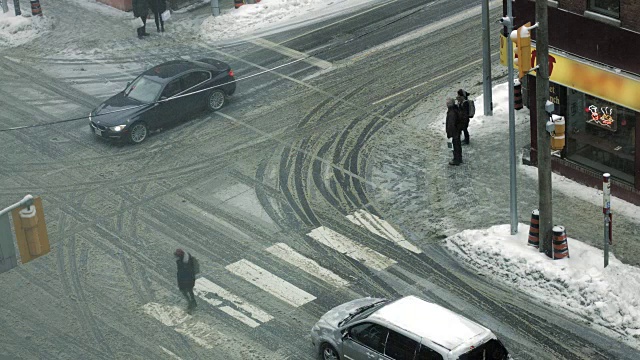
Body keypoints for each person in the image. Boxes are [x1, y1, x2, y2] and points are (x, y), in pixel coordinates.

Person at [446, 98, 462, 166]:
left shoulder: (451, 112)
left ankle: (456, 160)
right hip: (457, 131)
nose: (446, 104)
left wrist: (449, 133)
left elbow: (451, 124)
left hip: (454, 132)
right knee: (457, 145)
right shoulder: (455, 109)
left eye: (447, 103)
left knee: (455, 146)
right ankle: (459, 158)